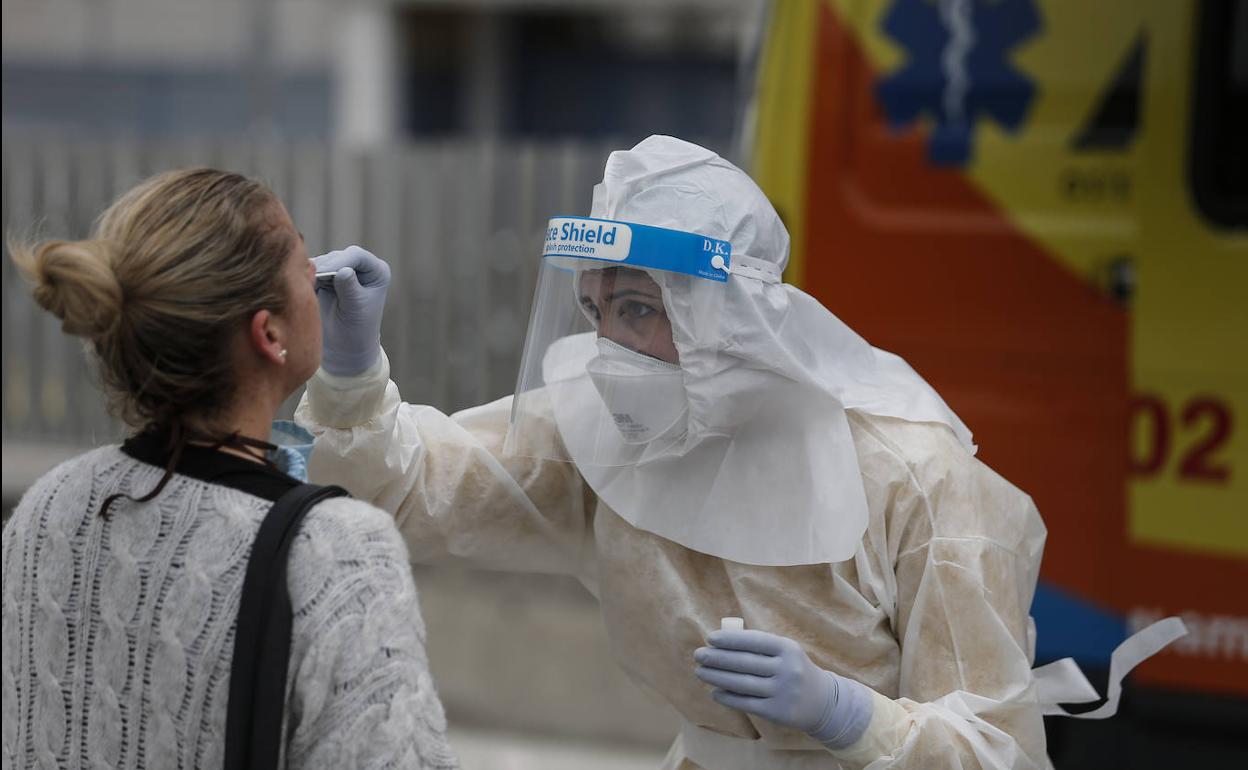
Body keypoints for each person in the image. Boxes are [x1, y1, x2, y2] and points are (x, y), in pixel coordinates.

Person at [299, 136, 1173, 769]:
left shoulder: (913, 475)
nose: (610, 350)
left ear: (729, 318)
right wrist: (348, 373)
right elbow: (404, 494)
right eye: (596, 311)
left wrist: (848, 717)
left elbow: (999, 753)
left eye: (640, 310)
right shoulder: (602, 435)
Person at [2, 168, 458, 770]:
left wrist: (352, 383)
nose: (316, 273)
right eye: (302, 259)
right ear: (268, 333)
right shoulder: (338, 555)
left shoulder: (50, 506)